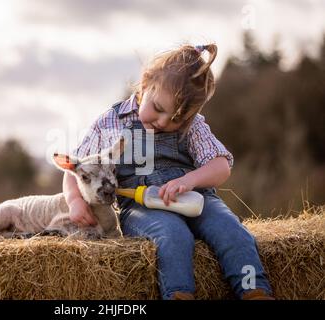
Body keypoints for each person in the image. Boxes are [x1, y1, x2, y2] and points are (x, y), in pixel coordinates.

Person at [62, 44, 274, 300]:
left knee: (232, 231)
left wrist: (190, 179)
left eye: (177, 120)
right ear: (146, 83)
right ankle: (179, 294)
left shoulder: (194, 126)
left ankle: (253, 289)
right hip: (143, 207)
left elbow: (221, 165)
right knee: (173, 235)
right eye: (160, 109)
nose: (163, 123)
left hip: (197, 200)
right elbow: (75, 168)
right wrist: (75, 201)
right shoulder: (109, 123)